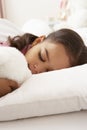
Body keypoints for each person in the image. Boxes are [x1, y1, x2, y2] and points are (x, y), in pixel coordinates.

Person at [0, 28, 87, 97]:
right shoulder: (7, 52)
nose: (38, 69)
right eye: (41, 57)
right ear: (37, 41)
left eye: (48, 71)